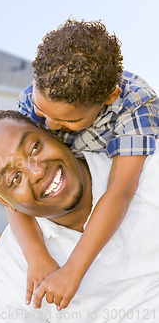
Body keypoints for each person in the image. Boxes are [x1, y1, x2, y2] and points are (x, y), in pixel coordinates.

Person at [12, 19, 159, 310]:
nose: (49, 125)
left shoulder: (136, 104)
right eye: (42, 112)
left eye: (69, 121)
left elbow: (121, 189)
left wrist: (73, 270)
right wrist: (36, 254)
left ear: (109, 98)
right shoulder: (32, 99)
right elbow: (8, 182)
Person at [0, 110, 159, 322]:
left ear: (53, 134)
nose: (36, 172)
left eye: (34, 148)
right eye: (15, 178)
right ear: (4, 202)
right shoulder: (9, 268)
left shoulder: (147, 170)